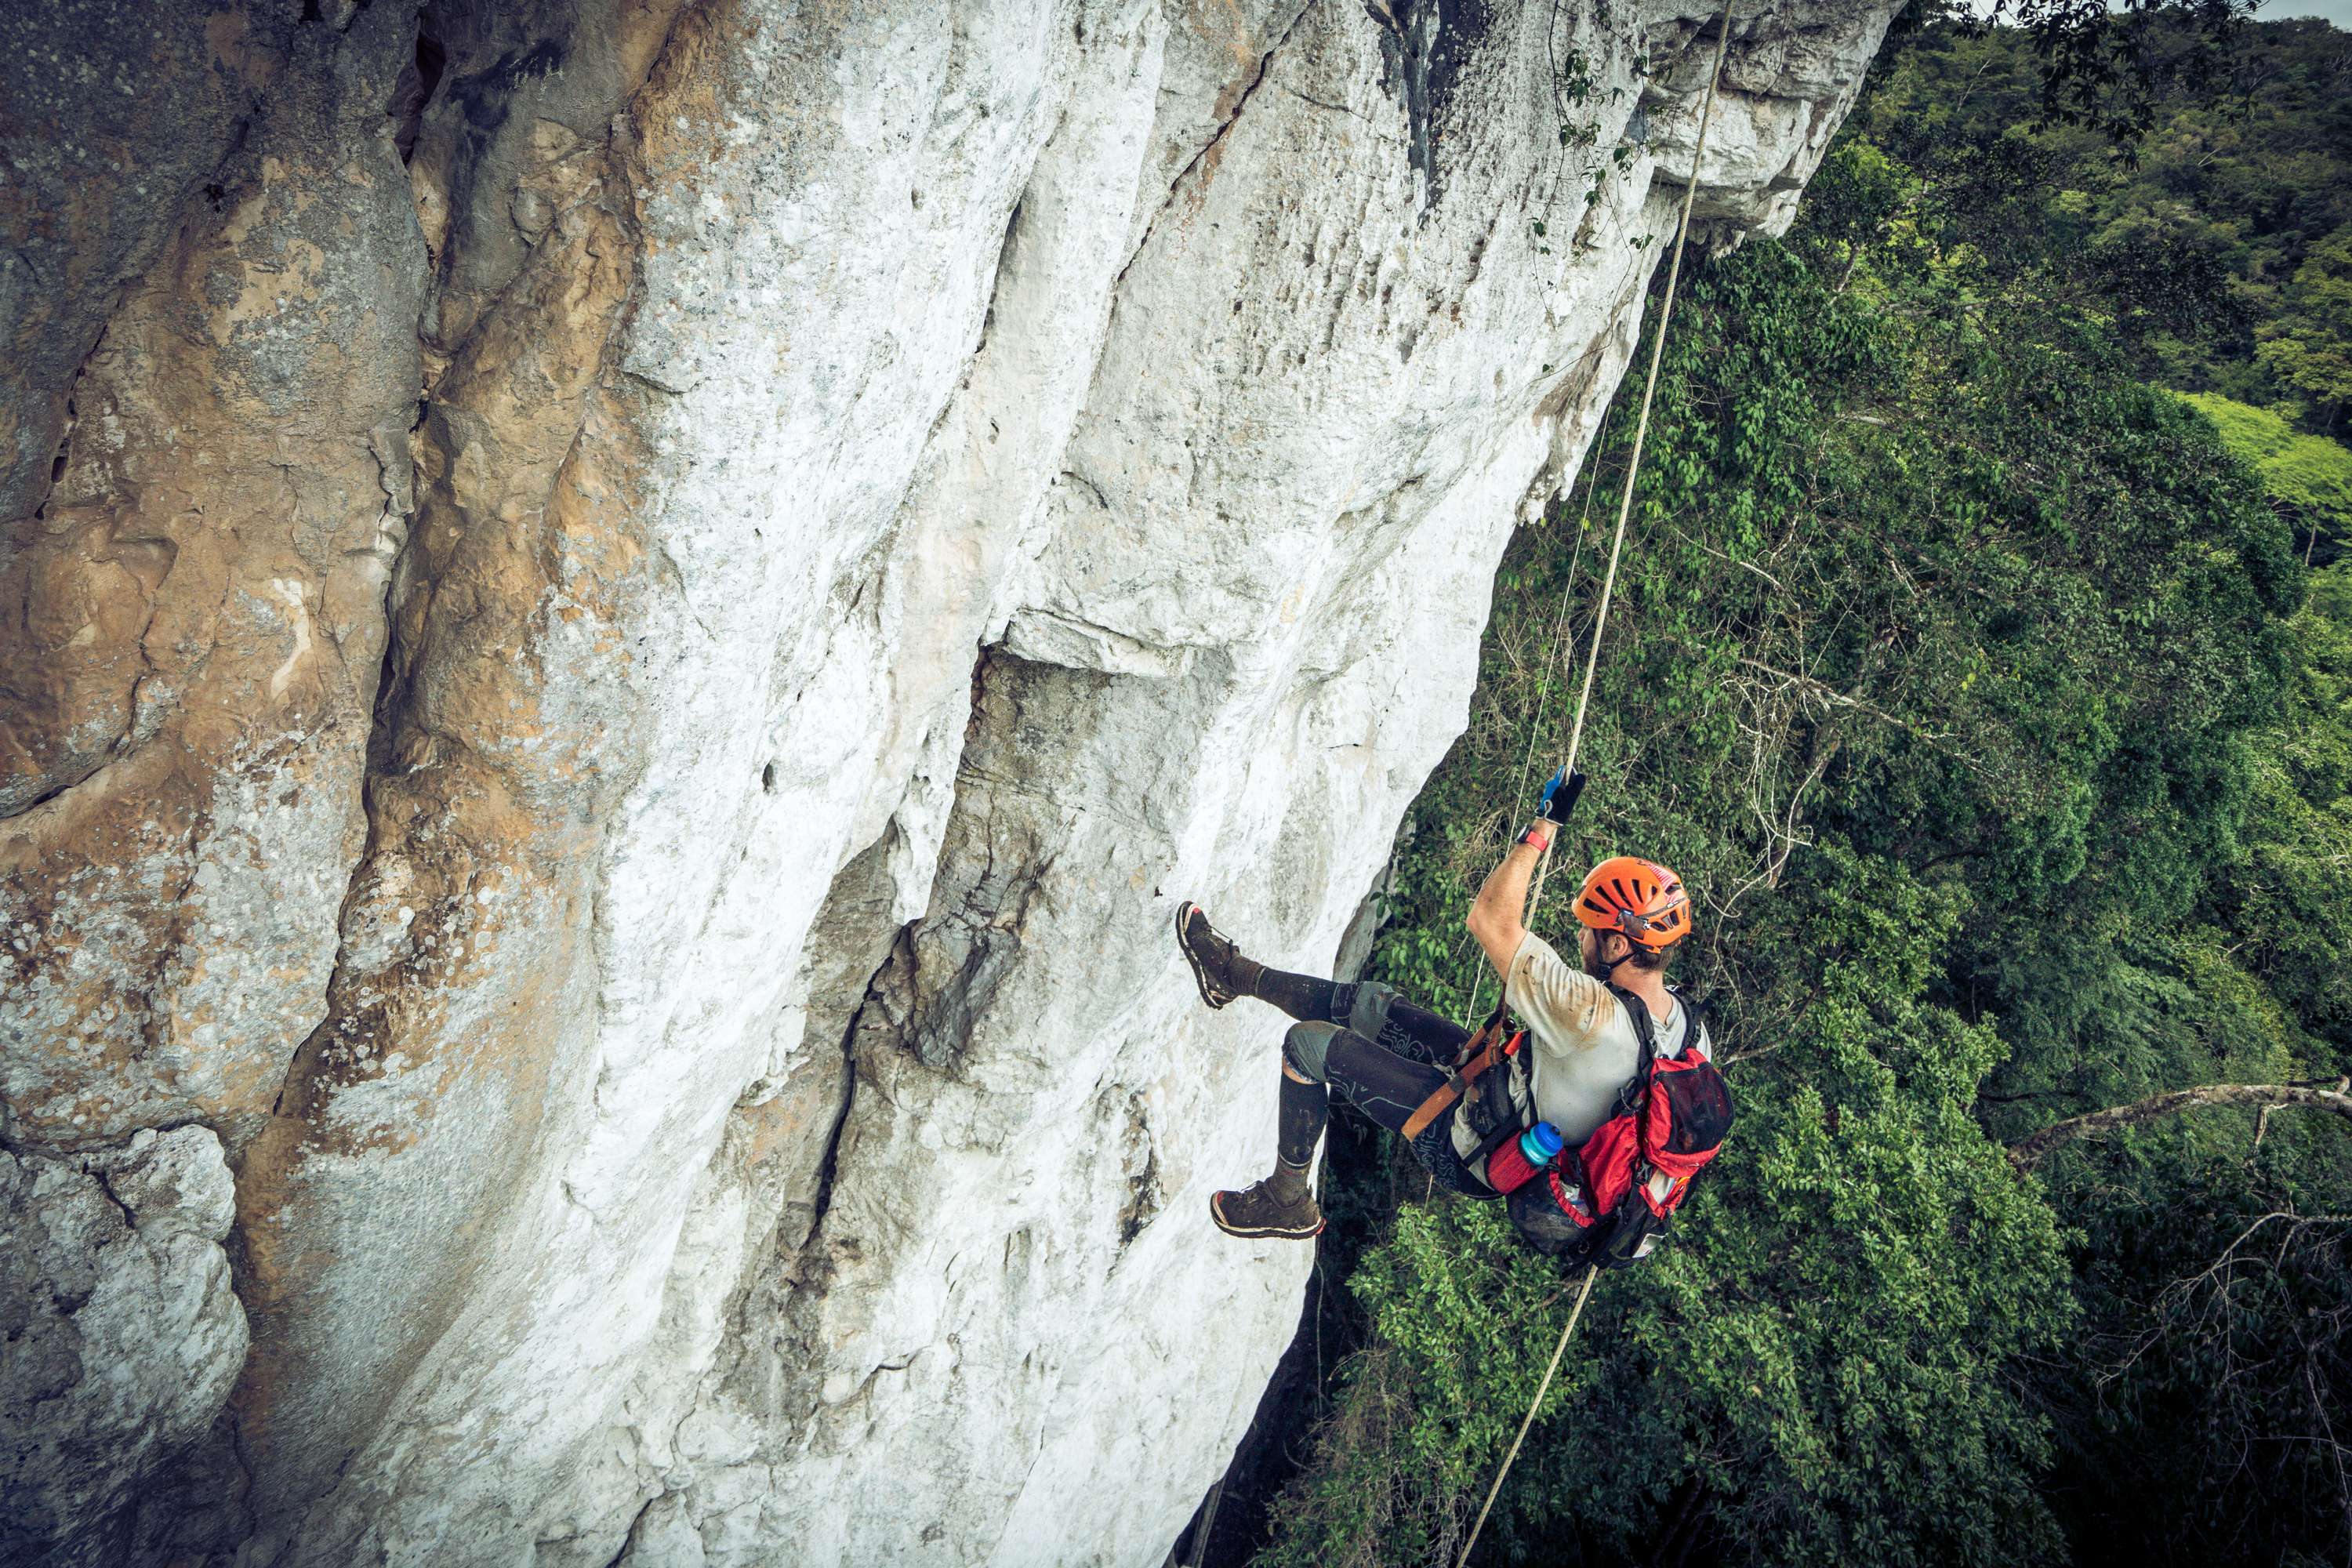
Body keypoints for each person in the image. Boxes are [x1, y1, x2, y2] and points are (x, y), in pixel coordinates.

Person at [1178, 770, 1707, 1243]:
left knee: (1308, 1047)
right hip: (1500, 1083)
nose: (1581, 936)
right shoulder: (1688, 1029)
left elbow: (1491, 920)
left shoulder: (1590, 1012)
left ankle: (1287, 1199)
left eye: (1592, 930)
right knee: (1370, 1005)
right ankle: (1232, 976)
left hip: (1471, 1144)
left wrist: (1542, 829)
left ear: (1618, 946)